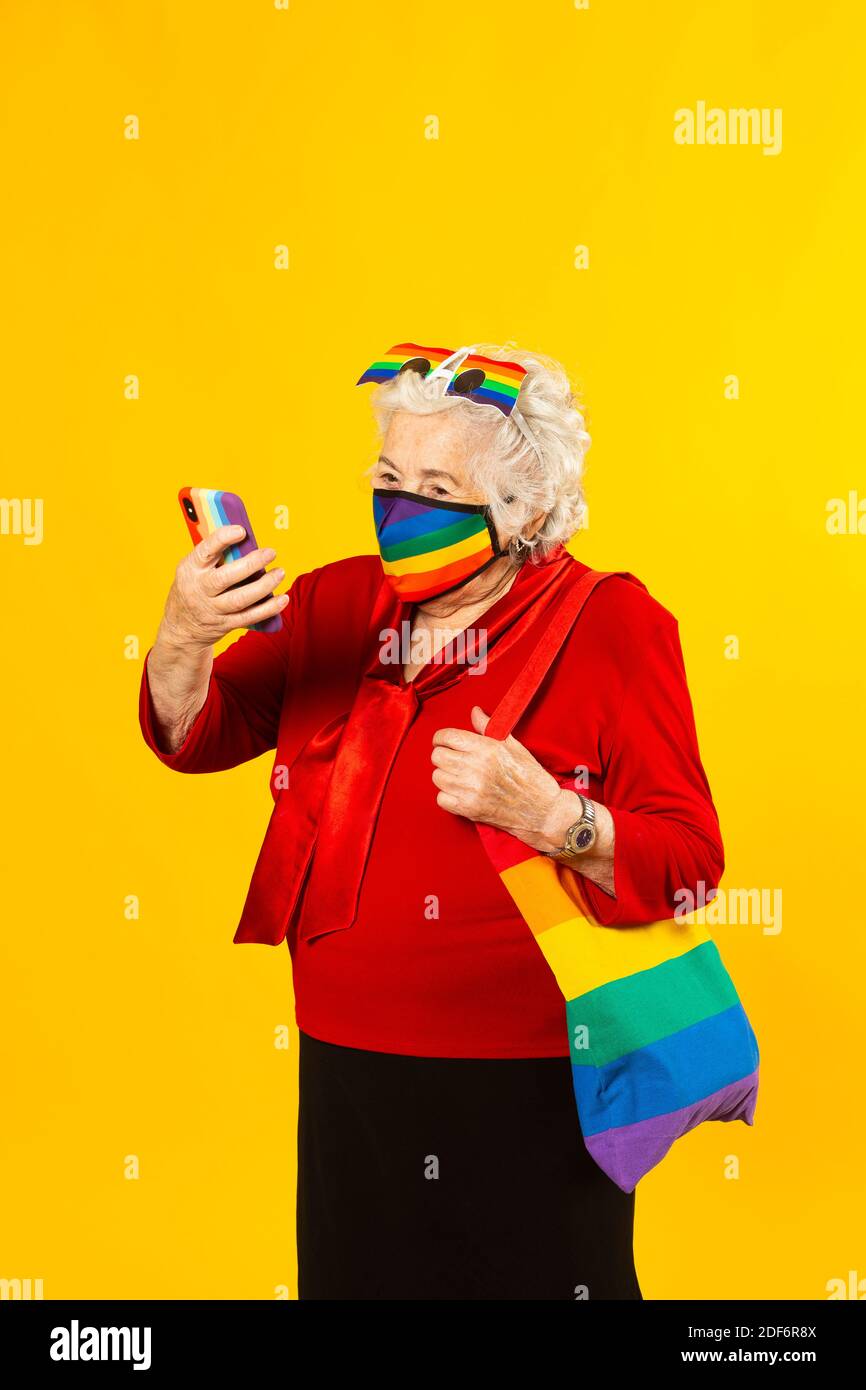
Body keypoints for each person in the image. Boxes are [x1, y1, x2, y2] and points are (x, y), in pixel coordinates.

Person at [139, 342, 724, 1300]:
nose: (401, 509)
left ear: (526, 508)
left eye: (437, 489)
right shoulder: (335, 601)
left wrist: (555, 815)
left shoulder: (615, 623)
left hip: (533, 1078)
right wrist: (183, 634)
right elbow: (194, 731)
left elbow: (692, 862)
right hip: (346, 1065)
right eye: (388, 478)